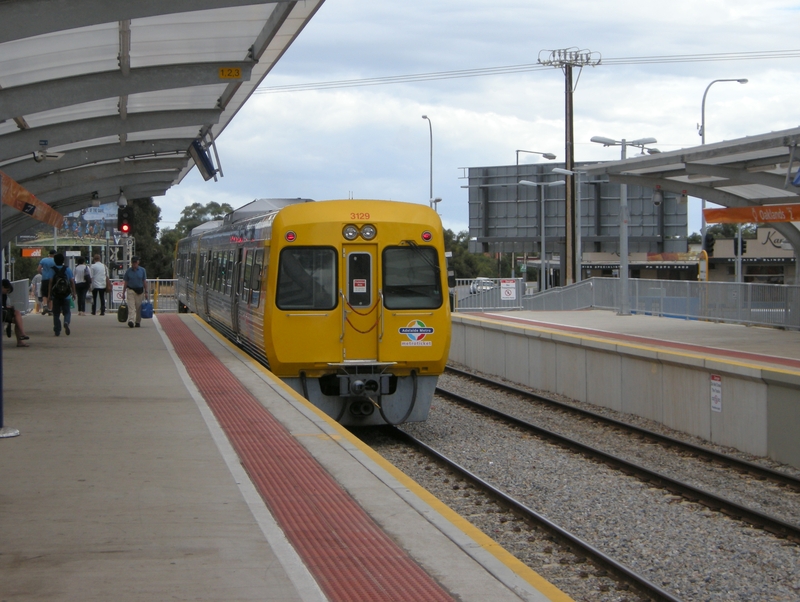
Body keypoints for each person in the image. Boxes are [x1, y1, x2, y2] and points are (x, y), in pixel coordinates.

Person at [50, 252, 77, 337]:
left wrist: (49, 294)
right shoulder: (67, 269)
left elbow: (50, 283)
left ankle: (57, 330)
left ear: (54, 260)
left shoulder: (52, 270)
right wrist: (74, 293)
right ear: (63, 261)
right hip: (66, 295)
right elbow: (72, 282)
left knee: (56, 314)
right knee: (67, 312)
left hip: (56, 295)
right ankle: (66, 322)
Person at [3, 279, 30, 347]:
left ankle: (21, 336)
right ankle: (22, 334)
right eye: (7, 290)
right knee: (17, 317)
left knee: (17, 315)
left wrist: (8, 307)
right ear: (2, 287)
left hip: (3, 313)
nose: (7, 292)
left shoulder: (4, 295)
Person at [122, 256, 148, 328]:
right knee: (131, 306)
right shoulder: (128, 271)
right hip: (130, 290)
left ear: (138, 262)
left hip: (139, 291)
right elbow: (126, 282)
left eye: (135, 262)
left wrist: (146, 292)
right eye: (133, 262)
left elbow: (144, 281)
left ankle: (137, 321)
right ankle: (131, 320)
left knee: (138, 307)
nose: (134, 264)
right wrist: (123, 292)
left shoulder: (142, 270)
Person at [37, 249, 57, 315]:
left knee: (44, 293)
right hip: (53, 279)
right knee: (51, 293)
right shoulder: (55, 261)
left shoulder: (43, 260)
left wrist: (43, 274)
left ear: (49, 254)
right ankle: (50, 309)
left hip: (44, 278)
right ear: (54, 254)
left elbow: (38, 269)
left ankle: (45, 305)